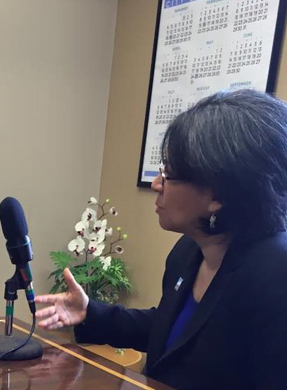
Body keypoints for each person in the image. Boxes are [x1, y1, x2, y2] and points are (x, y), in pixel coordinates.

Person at [35, 89, 287, 390]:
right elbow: (174, 332)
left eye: (168, 173)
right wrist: (90, 312)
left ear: (218, 194)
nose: (156, 184)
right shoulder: (189, 250)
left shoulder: (276, 273)